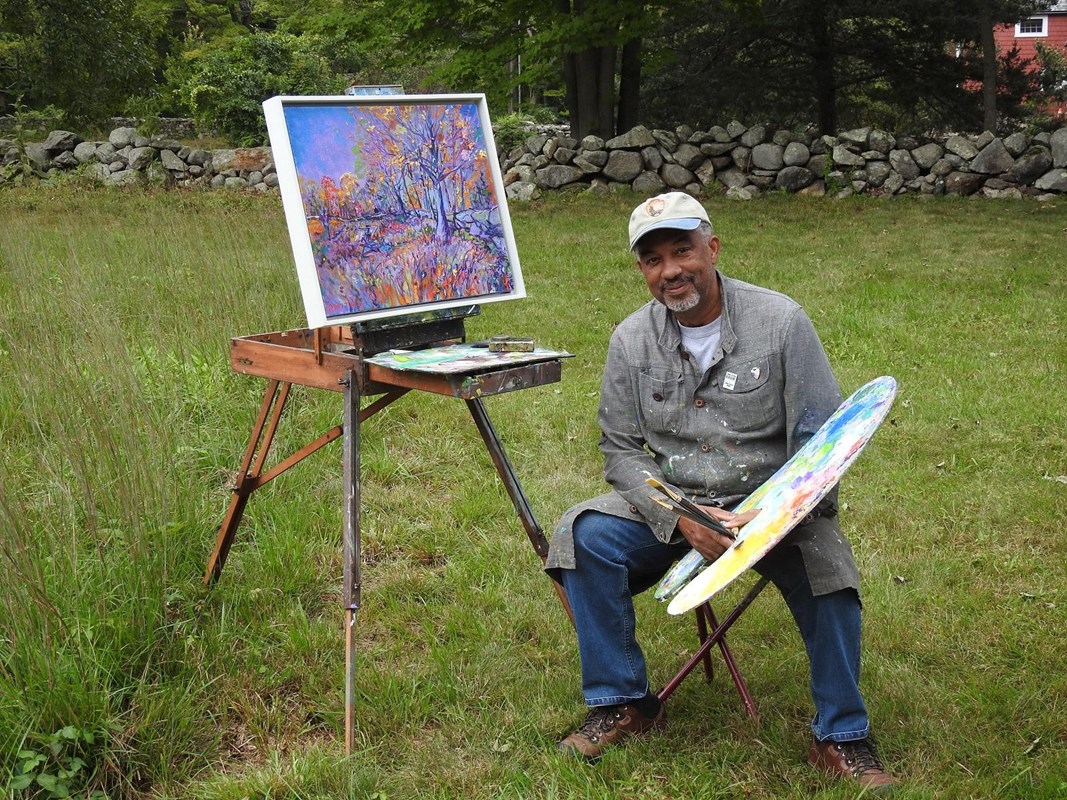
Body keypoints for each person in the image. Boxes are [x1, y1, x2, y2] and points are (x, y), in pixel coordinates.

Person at [546, 192, 896, 792]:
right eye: (654, 259)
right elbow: (621, 453)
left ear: (712, 248)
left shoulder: (781, 321)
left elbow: (821, 441)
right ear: (642, 271)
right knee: (583, 536)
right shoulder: (630, 341)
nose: (671, 270)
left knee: (830, 571)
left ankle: (841, 736)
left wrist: (776, 517)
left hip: (774, 504)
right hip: (677, 503)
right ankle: (624, 701)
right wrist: (680, 518)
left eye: (683, 250)